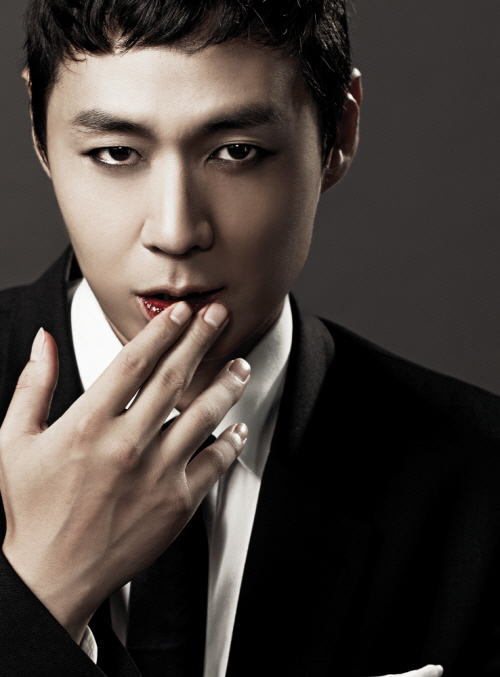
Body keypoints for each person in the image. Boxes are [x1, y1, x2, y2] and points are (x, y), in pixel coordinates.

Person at [0, 1, 498, 676]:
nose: (176, 231)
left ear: (340, 129)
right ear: (39, 127)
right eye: (116, 152)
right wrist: (39, 595)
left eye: (237, 152)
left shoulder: (480, 482)